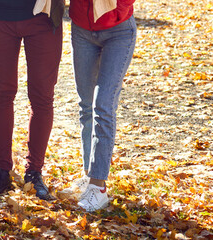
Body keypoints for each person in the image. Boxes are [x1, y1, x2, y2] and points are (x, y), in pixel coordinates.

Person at [0, 0, 64, 200]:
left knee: (42, 97)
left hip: (43, 18)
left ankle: (34, 173)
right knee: (1, 94)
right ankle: (2, 170)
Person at [69, 0, 136, 212]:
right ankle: (89, 176)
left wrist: (119, 10)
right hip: (82, 30)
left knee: (103, 106)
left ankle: (98, 188)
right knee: (86, 106)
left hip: (118, 31)